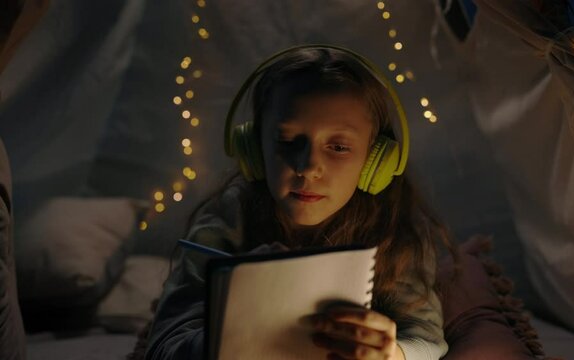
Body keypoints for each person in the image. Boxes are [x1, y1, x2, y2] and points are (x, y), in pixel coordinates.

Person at [144, 46, 454, 360]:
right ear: (254, 148)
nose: (307, 166)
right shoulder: (229, 216)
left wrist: (393, 353)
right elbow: (163, 347)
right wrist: (241, 320)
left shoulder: (396, 229)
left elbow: (427, 341)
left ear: (376, 161)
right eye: (288, 141)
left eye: (338, 146)